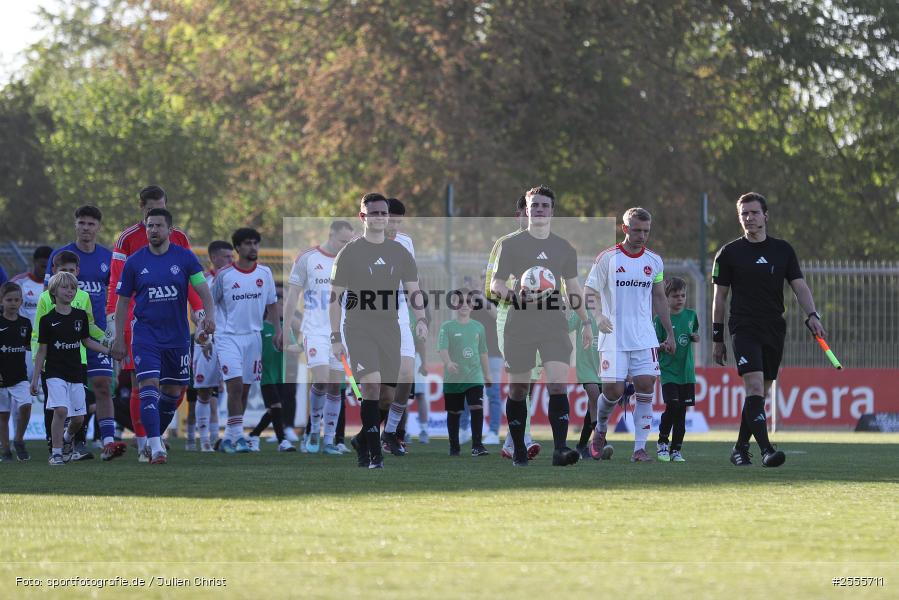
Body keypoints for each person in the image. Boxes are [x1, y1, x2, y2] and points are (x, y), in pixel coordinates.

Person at [712, 192, 826, 467]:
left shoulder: (783, 250)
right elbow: (719, 298)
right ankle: (766, 451)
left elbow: (799, 286)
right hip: (744, 327)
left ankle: (740, 448)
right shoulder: (728, 253)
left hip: (774, 327)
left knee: (759, 394)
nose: (749, 218)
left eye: (754, 212)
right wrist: (717, 338)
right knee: (753, 386)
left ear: (765, 215)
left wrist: (812, 315)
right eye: (744, 214)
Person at [490, 185, 594, 467]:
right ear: (526, 209)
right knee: (518, 390)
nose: (539, 209)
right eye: (534, 205)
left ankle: (560, 450)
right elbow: (496, 285)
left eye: (544, 205)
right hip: (520, 324)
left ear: (552, 211)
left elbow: (573, 289)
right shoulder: (511, 245)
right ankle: (518, 450)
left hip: (553, 324)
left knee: (558, 385)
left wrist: (586, 321)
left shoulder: (564, 248)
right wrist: (516, 297)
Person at [330, 193, 428, 469]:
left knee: (387, 396)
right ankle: (375, 455)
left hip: (390, 327)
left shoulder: (400, 252)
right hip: (358, 327)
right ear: (363, 217)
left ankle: (362, 439)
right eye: (374, 213)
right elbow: (334, 298)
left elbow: (414, 290)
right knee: (371, 386)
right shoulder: (349, 252)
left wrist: (421, 319)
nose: (380, 218)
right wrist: (335, 336)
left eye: (383, 213)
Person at [106, 185, 204, 461]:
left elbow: (191, 281)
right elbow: (117, 284)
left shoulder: (180, 240)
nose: (155, 219)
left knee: (175, 389)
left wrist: (199, 311)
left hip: (174, 326)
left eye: (161, 210)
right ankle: (145, 444)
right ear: (142, 209)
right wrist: (116, 325)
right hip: (139, 323)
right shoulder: (127, 238)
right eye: (151, 211)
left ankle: (154, 435)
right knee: (142, 384)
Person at [585, 207, 674, 463]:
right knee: (613, 391)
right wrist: (598, 316)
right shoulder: (607, 258)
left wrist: (669, 332)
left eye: (646, 231)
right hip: (613, 336)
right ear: (625, 229)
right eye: (636, 230)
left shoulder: (654, 261)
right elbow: (589, 291)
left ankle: (639, 449)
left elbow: (659, 297)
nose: (642, 236)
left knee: (646, 386)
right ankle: (600, 429)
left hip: (644, 337)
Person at [45, 206, 119, 459]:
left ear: (98, 227)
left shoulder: (108, 257)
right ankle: (69, 443)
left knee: (102, 385)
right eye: (82, 223)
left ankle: (108, 441)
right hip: (66, 335)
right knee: (70, 392)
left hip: (96, 333)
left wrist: (113, 328)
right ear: (75, 224)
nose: (86, 228)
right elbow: (48, 295)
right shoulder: (61, 256)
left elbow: (116, 296)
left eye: (91, 224)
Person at [32, 251, 111, 459]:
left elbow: (89, 331)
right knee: (57, 409)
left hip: (77, 363)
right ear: (54, 273)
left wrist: (108, 344)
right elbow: (39, 337)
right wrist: (37, 366)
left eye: (71, 272)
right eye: (63, 271)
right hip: (52, 365)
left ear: (77, 272)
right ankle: (55, 450)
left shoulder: (83, 300)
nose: (69, 290)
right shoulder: (45, 302)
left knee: (78, 415)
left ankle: (74, 443)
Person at [284, 220, 354, 454]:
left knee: (336, 386)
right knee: (321, 380)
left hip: (341, 333)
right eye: (342, 241)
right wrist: (286, 331)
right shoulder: (307, 258)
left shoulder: (351, 260)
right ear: (331, 234)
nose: (345, 246)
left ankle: (330, 440)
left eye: (349, 242)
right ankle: (314, 430)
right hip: (314, 331)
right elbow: (292, 296)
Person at [211, 227, 279, 454]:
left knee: (245, 389)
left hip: (253, 337)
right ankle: (239, 436)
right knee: (235, 385)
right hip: (228, 337)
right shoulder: (225, 275)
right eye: (248, 243)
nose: (253, 247)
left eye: (255, 243)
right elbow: (211, 303)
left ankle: (229, 438)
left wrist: (277, 331)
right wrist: (206, 329)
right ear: (238, 248)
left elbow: (272, 304)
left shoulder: (265, 273)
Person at [485, 195, 542, 460]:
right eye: (528, 210)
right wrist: (515, 298)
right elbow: (491, 286)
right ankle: (524, 438)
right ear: (520, 214)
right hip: (511, 315)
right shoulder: (505, 243)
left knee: (530, 382)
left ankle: (511, 440)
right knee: (519, 379)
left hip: (542, 318)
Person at [381, 198, 419, 455]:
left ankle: (391, 433)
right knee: (383, 394)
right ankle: (367, 436)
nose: (393, 226)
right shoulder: (360, 245)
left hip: (401, 315)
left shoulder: (406, 242)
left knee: (406, 375)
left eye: (398, 221)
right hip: (371, 319)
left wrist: (421, 317)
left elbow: (411, 281)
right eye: (390, 220)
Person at [439, 288, 492, 456]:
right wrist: (448, 363)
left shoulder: (479, 327)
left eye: (468, 301)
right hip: (453, 378)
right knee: (454, 412)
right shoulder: (447, 327)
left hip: (474, 375)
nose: (464, 305)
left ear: (473, 305)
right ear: (454, 304)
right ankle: (454, 447)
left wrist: (487, 374)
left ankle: (477, 445)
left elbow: (483, 352)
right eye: (460, 301)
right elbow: (442, 348)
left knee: (476, 406)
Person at [193, 240, 234, 451]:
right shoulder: (203, 280)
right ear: (214, 258)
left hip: (232, 340)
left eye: (232, 256)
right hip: (207, 341)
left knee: (236, 388)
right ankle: (205, 441)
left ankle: (230, 437)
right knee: (204, 392)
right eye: (227, 257)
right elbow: (195, 312)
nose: (231, 260)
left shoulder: (236, 278)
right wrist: (203, 335)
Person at [655, 277, 699, 462]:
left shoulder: (691, 315)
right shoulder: (660, 319)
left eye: (682, 295)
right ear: (666, 298)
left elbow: (694, 333)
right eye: (675, 296)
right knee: (672, 405)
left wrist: (695, 337)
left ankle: (676, 450)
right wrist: (662, 346)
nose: (680, 299)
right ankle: (662, 442)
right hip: (668, 372)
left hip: (686, 373)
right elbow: (653, 345)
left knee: (681, 412)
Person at [248, 288, 296, 452]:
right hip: (266, 375)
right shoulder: (260, 328)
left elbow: (296, 348)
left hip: (281, 375)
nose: (283, 309)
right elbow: (253, 351)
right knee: (276, 406)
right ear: (271, 308)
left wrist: (288, 346)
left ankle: (254, 435)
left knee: (273, 409)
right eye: (281, 305)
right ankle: (282, 441)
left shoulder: (285, 328)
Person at [0, 282, 33, 461]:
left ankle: (19, 439)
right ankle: (6, 451)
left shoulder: (25, 324)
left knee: (26, 405)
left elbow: (29, 347)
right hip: (1, 377)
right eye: (9, 300)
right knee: (3, 415)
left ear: (21, 301)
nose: (13, 303)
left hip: (20, 375)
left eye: (16, 300)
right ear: (2, 301)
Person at [470, 274, 502, 445]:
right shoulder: (474, 300)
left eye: (485, 277)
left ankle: (493, 432)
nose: (482, 280)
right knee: (471, 392)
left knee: (493, 394)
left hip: (494, 353)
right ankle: (468, 429)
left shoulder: (497, 297)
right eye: (481, 277)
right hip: (475, 354)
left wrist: (481, 297)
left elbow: (496, 314)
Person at [11, 245, 52, 382]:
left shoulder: (58, 286)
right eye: (42, 266)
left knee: (45, 385)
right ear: (34, 262)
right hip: (24, 345)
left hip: (48, 344)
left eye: (48, 267)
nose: (45, 270)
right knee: (22, 383)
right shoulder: (19, 283)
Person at [567, 309, 601, 459]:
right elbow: (566, 327)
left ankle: (581, 446)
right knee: (595, 398)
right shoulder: (582, 312)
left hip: (603, 366)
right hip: (586, 366)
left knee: (594, 406)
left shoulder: (609, 311)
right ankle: (601, 442)